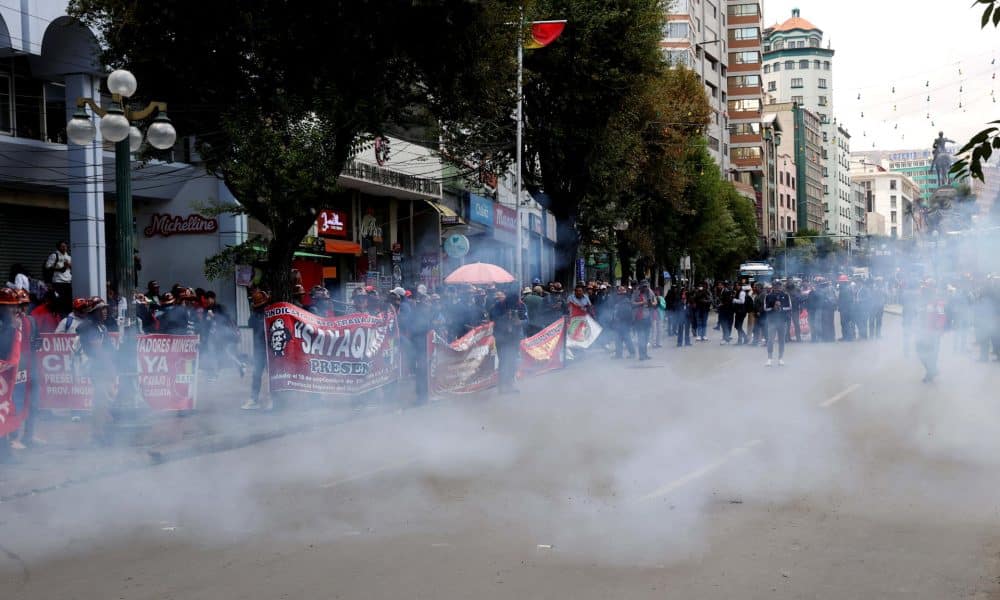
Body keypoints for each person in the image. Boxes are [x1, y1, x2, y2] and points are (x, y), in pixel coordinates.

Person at [76, 296, 115, 444]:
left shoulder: (101, 326)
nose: (105, 312)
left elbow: (108, 349)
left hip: (103, 367)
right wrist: (110, 367)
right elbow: (98, 351)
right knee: (101, 401)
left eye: (105, 309)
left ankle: (102, 431)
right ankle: (97, 435)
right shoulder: (89, 327)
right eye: (101, 309)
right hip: (97, 368)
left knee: (104, 400)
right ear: (94, 311)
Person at [489, 287, 527, 394]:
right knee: (503, 361)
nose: (514, 304)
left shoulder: (521, 305)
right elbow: (492, 319)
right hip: (502, 338)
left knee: (513, 361)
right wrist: (505, 317)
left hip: (515, 337)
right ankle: (501, 386)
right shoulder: (498, 306)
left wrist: (520, 322)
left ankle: (510, 384)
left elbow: (527, 320)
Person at [915, 281, 948, 383]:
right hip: (923, 332)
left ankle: (930, 374)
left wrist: (938, 330)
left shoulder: (937, 302)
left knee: (931, 354)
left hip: (933, 333)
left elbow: (942, 316)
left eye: (927, 289)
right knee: (920, 351)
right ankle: (932, 370)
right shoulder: (923, 302)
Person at [243, 290, 271, 410]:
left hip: (270, 349)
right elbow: (250, 324)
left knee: (272, 375)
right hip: (260, 349)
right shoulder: (255, 317)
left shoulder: (271, 314)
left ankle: (273, 399)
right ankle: (254, 399)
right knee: (256, 374)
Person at [764, 280, 792, 366]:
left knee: (781, 340)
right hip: (772, 321)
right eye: (775, 285)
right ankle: (769, 358)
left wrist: (781, 308)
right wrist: (773, 308)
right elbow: (765, 308)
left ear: (781, 286)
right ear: (773, 286)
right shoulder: (768, 296)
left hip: (782, 321)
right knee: (770, 340)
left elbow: (790, 306)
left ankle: (780, 358)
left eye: (779, 285)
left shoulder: (786, 295)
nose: (777, 287)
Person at [44, 241, 73, 314]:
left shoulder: (68, 256)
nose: (64, 248)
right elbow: (47, 266)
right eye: (62, 246)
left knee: (68, 300)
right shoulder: (54, 255)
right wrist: (60, 268)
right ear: (58, 247)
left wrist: (69, 265)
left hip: (68, 281)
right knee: (59, 300)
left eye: (65, 246)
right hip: (58, 281)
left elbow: (71, 268)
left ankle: (66, 314)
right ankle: (59, 315)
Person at [631, 280, 656, 360]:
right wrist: (641, 303)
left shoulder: (650, 292)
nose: (645, 288)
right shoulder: (636, 293)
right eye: (644, 286)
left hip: (647, 317)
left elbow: (655, 301)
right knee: (640, 336)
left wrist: (652, 304)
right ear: (641, 286)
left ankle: (645, 354)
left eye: (646, 286)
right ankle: (641, 355)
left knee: (646, 337)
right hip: (639, 318)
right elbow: (632, 303)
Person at [611, 286, 636, 359]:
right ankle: (618, 354)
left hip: (624, 324)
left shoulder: (626, 302)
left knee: (627, 339)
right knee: (618, 339)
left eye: (620, 294)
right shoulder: (619, 302)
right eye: (618, 294)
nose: (619, 296)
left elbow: (627, 314)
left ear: (623, 295)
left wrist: (620, 319)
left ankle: (632, 353)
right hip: (618, 324)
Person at [733, 279, 751, 345]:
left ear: (740, 286)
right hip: (739, 311)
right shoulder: (738, 292)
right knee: (738, 326)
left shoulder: (742, 292)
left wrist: (734, 300)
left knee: (738, 326)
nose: (736, 286)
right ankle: (743, 339)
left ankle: (742, 339)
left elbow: (742, 301)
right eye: (736, 285)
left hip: (741, 312)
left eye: (738, 285)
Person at [717, 281, 734, 345]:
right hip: (723, 311)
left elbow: (728, 302)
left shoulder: (726, 291)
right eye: (718, 285)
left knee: (725, 325)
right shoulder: (721, 291)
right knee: (724, 325)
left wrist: (721, 304)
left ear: (723, 286)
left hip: (726, 311)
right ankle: (726, 338)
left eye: (720, 285)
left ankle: (725, 338)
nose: (719, 286)